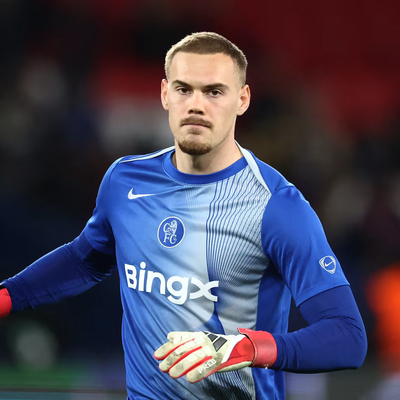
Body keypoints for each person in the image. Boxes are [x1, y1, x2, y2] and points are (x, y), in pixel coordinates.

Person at [0, 32, 367, 400]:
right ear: (165, 94)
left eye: (214, 92)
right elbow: (85, 260)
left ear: (242, 99)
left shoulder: (277, 207)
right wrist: (7, 296)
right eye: (183, 89)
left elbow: (348, 337)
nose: (196, 105)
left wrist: (246, 348)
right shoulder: (125, 180)